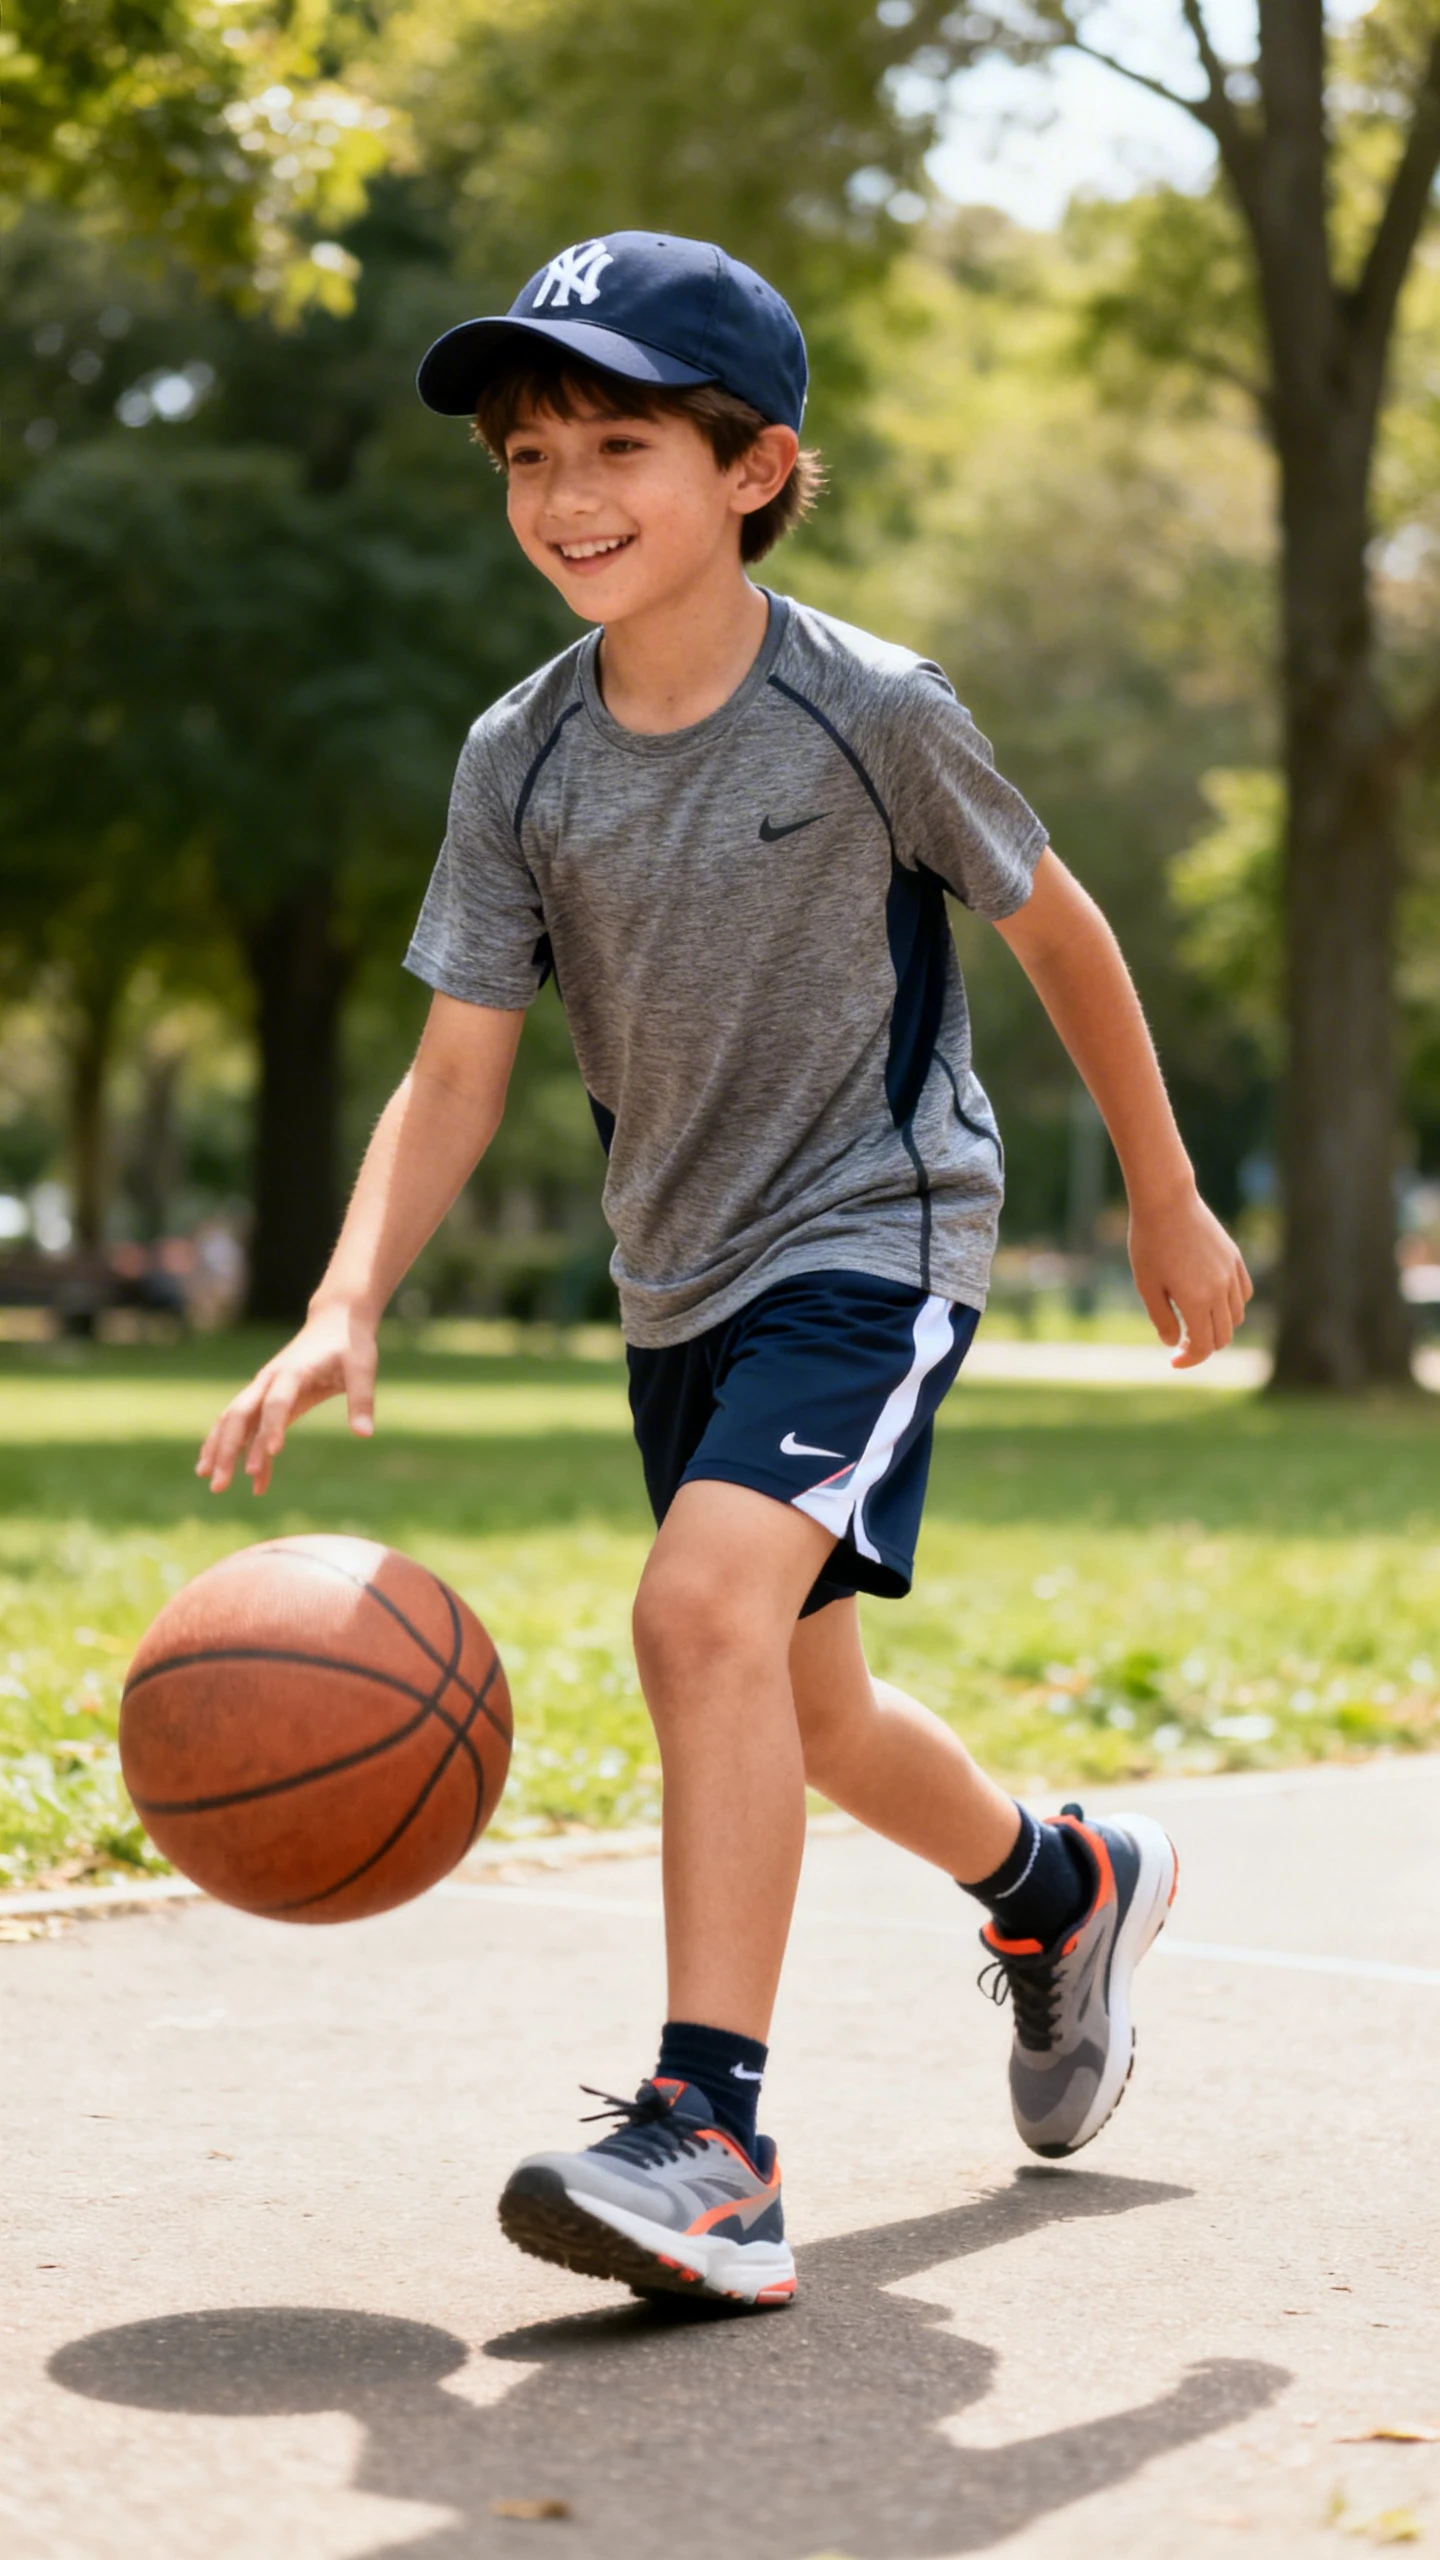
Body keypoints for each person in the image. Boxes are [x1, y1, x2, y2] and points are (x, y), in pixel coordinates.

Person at [197, 231, 1252, 2311]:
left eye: (617, 442)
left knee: (696, 1608)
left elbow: (1063, 930)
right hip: (678, 1273)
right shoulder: (519, 755)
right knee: (806, 1697)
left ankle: (716, 2137)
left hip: (878, 1231)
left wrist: (1165, 1187)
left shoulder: (868, 708)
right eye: (524, 454)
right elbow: (456, 1067)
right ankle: (1063, 1886)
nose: (564, 492)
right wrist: (344, 1296)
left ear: (757, 466)